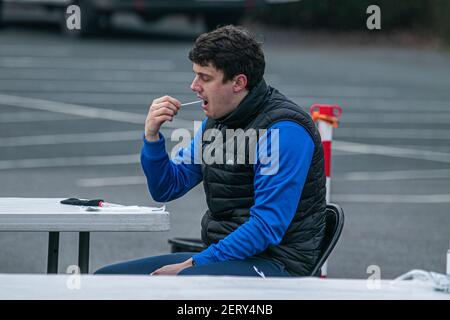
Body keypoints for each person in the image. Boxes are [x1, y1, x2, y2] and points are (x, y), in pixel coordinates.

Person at [95, 25, 326, 277]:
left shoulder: (284, 131)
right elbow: (167, 187)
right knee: (106, 279)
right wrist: (152, 137)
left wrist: (193, 264)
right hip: (225, 255)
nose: (194, 85)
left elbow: (265, 226)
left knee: (180, 281)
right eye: (195, 75)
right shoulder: (218, 121)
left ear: (238, 82)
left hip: (277, 263)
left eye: (205, 77)